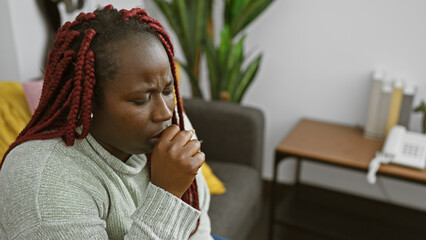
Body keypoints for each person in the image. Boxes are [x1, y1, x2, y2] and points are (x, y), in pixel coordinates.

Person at [0, 5, 216, 240]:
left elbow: (199, 224)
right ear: (88, 103)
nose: (164, 113)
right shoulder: (44, 182)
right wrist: (167, 194)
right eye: (140, 99)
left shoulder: (170, 125)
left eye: (167, 90)